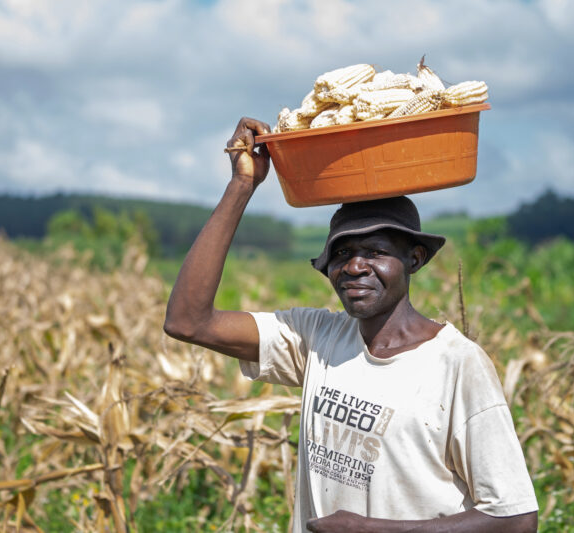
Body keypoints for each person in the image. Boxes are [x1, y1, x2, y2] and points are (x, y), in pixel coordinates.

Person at [163, 117, 539, 533]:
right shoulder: (318, 339)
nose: (355, 266)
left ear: (413, 259)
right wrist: (242, 185)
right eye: (342, 253)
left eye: (375, 251)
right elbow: (188, 321)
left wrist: (374, 530)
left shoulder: (457, 364)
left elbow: (516, 517)